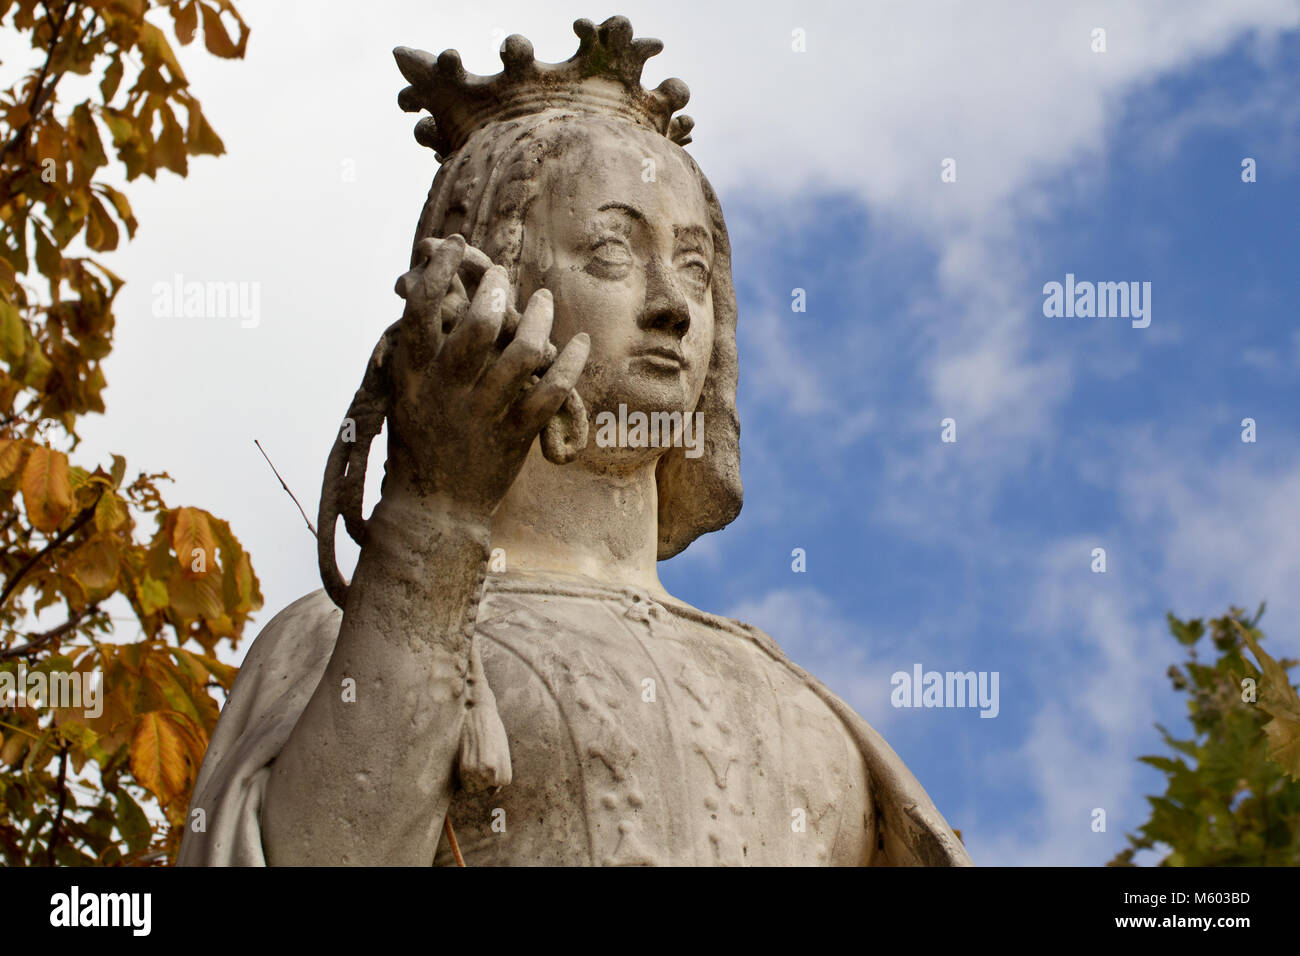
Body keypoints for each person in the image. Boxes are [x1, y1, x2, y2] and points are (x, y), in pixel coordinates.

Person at [178, 16, 971, 867]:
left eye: (697, 269)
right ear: (490, 287)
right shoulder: (341, 640)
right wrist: (433, 524)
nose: (672, 304)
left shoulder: (804, 707)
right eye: (612, 253)